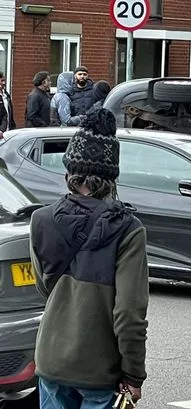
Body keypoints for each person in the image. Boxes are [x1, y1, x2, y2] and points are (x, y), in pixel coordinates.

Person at [29, 106, 149, 408]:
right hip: (99, 368)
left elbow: (44, 288)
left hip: (51, 360)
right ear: (111, 178)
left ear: (69, 171)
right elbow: (129, 314)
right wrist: (134, 374)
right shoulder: (129, 230)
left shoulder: (41, 220)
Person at [0, 71, 16, 138]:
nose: (4, 83)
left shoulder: (6, 95)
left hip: (7, 131)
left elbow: (7, 113)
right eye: (1, 80)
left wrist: (13, 127)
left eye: (4, 80)